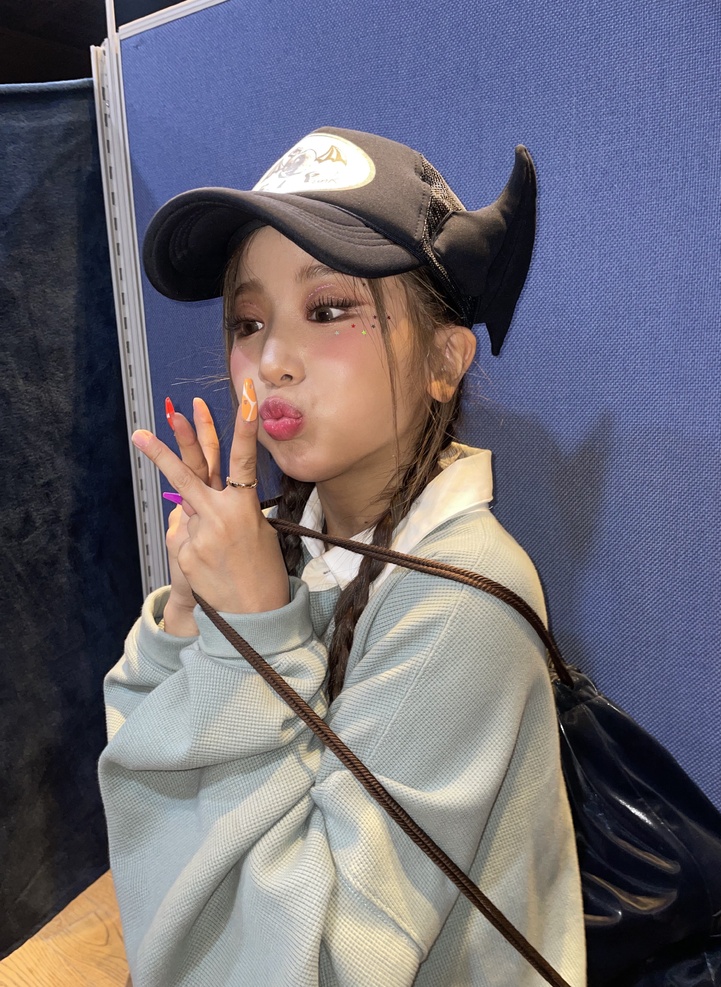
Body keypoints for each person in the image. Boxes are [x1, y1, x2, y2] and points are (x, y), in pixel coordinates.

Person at [99, 127, 586, 987]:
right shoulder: (289, 542)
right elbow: (142, 797)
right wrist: (191, 612)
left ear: (444, 360)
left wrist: (256, 631)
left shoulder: (462, 602)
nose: (269, 361)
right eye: (249, 322)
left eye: (326, 310)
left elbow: (318, 964)